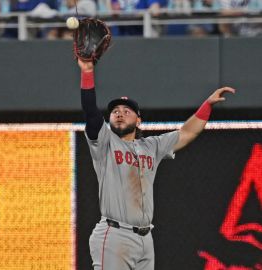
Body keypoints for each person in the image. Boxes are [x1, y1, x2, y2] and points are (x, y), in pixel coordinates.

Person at [78, 58, 235, 270]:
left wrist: (207, 105)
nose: (120, 113)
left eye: (126, 110)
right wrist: (87, 72)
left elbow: (187, 132)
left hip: (145, 238)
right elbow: (91, 112)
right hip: (114, 235)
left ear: (139, 120)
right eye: (115, 111)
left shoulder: (152, 146)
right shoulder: (104, 142)